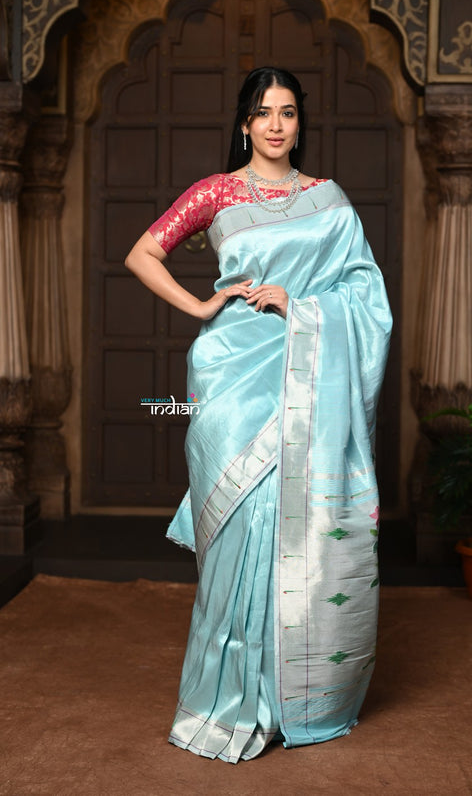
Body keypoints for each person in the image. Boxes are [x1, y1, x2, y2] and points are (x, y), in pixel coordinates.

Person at [125, 67, 392, 763]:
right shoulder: (216, 193)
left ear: (300, 123)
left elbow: (365, 295)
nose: (276, 125)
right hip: (231, 381)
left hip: (307, 377)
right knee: (238, 538)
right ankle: (225, 702)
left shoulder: (328, 200)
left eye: (289, 112)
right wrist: (202, 305)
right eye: (264, 112)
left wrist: (299, 306)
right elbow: (142, 253)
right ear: (245, 123)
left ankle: (288, 699)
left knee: (294, 530)